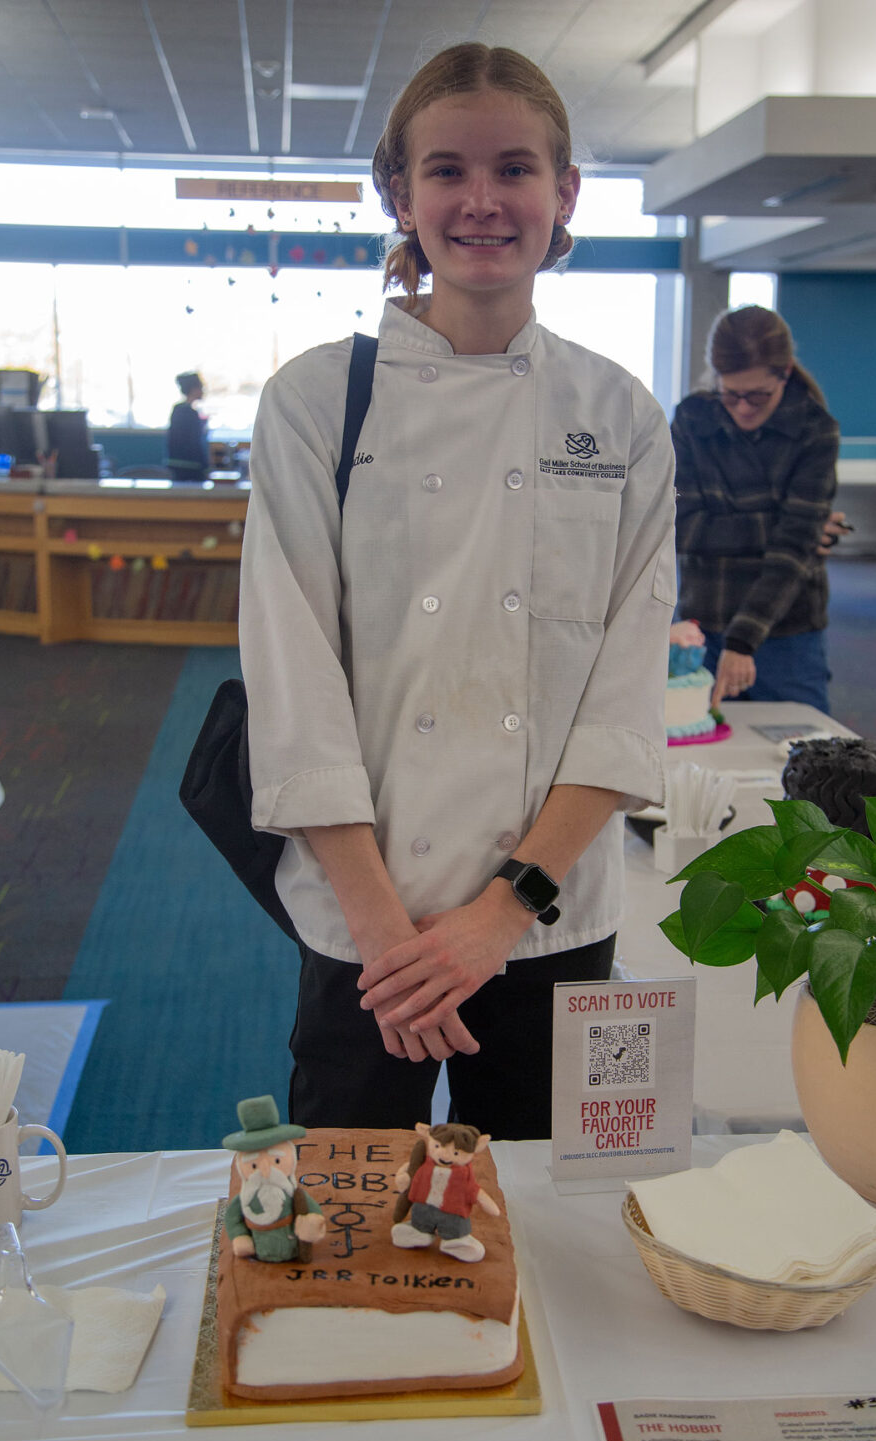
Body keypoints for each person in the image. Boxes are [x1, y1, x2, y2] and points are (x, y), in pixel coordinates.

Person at [238, 43, 677, 1141]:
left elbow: (623, 697)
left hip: (552, 914)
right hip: (364, 919)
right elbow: (292, 685)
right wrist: (391, 933)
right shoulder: (313, 405)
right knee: (351, 1222)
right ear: (400, 191)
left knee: (543, 1234)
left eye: (515, 169)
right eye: (446, 171)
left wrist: (500, 915)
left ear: (563, 190)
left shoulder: (619, 415)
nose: (482, 201)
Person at [671, 305, 841, 715]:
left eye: (758, 395)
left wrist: (742, 642)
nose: (744, 407)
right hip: (703, 624)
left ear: (784, 374)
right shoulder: (692, 418)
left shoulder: (814, 429)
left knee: (800, 757)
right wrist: (784, 528)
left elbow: (791, 555)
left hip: (787, 631)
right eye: (731, 394)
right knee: (697, 757)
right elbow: (681, 528)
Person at [167, 370, 210, 481]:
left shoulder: (178, 410)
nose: (202, 391)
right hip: (190, 466)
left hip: (177, 464)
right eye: (201, 388)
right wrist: (205, 466)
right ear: (193, 389)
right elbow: (194, 442)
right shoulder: (189, 413)